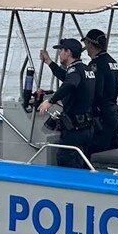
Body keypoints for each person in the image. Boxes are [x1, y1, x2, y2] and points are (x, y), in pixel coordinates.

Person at [38, 39, 95, 168]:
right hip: (87, 127)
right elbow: (66, 77)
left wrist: (50, 101)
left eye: (61, 51)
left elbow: (69, 83)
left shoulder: (75, 71)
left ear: (68, 52)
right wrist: (49, 62)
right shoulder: (86, 70)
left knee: (67, 161)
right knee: (84, 163)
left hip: (75, 130)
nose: (59, 54)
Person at [81, 29, 118, 154]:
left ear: (91, 45)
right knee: (112, 149)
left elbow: (95, 91)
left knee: (92, 151)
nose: (85, 48)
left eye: (86, 44)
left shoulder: (96, 65)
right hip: (114, 113)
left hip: (102, 117)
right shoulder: (113, 62)